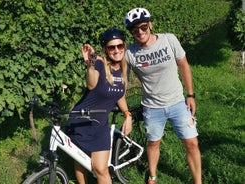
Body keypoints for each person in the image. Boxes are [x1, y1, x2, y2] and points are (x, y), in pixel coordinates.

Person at [123, 7, 202, 184]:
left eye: (143, 27)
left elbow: (184, 66)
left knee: (192, 143)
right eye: (135, 31)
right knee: (153, 143)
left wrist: (190, 95)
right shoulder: (130, 54)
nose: (140, 32)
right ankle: (152, 175)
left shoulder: (169, 40)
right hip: (152, 107)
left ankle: (198, 181)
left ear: (150, 24)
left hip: (177, 103)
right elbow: (123, 81)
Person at [65, 28, 132, 184]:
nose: (116, 50)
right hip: (81, 119)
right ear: (105, 49)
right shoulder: (100, 63)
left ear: (124, 46)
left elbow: (119, 94)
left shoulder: (124, 68)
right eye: (111, 47)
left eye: (119, 46)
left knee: (100, 169)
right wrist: (90, 65)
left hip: (100, 124)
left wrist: (127, 114)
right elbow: (91, 84)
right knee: (81, 160)